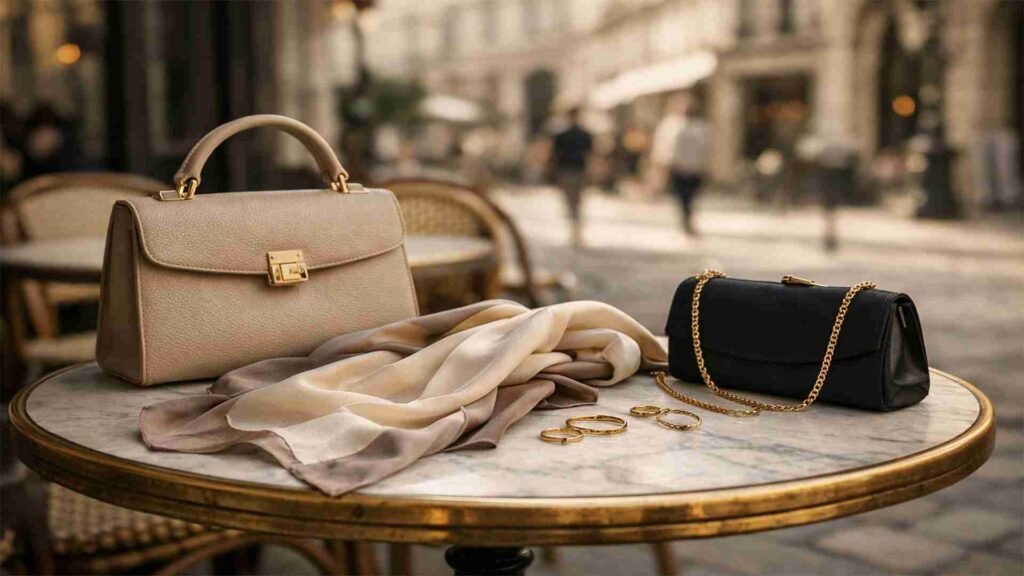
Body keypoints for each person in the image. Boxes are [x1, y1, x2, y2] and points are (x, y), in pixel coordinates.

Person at [652, 94, 711, 236]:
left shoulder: (701, 126)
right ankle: (686, 220)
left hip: (695, 167)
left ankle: (688, 219)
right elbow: (662, 146)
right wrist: (660, 164)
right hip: (677, 167)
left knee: (691, 196)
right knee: (682, 196)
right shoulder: (670, 124)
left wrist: (707, 165)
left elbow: (707, 147)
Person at [550, 107, 593, 247]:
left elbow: (554, 156)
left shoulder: (561, 135)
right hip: (576, 170)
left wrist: (554, 174)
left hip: (568, 171)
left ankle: (574, 231)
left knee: (571, 202)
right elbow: (590, 156)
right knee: (577, 202)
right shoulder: (584, 134)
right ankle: (576, 231)